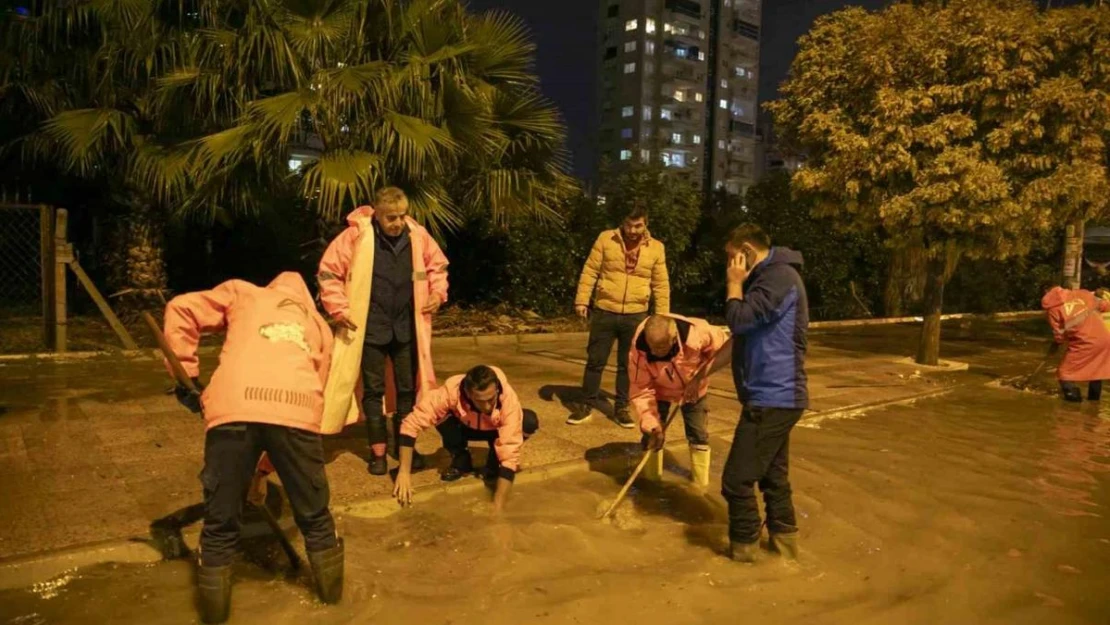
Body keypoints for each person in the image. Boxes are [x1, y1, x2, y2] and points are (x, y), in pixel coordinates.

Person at [163, 272, 343, 624]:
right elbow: (313, 400)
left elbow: (181, 308)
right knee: (316, 518)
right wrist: (263, 470)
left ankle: (214, 617)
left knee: (218, 524)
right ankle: (335, 607)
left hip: (232, 406)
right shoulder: (319, 326)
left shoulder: (243, 292)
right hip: (296, 410)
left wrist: (185, 375)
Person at [317, 187, 449, 476]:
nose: (398, 222)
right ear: (376, 213)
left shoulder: (418, 236)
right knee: (373, 392)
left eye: (402, 216)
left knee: (406, 391)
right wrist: (339, 309)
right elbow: (328, 273)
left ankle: (406, 450)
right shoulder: (356, 236)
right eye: (391, 217)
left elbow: (437, 267)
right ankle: (377, 453)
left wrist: (437, 294)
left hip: (406, 328)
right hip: (369, 328)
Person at [716, 224, 808, 564]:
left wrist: (734, 284)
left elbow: (739, 320)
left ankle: (744, 558)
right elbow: (743, 337)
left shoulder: (777, 278)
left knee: (735, 482)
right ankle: (786, 552)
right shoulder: (775, 278)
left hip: (772, 397)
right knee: (773, 478)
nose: (729, 265)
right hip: (776, 397)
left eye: (732, 258)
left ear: (746, 253)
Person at [569, 204, 670, 428]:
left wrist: (661, 317)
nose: (633, 231)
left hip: (636, 314)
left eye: (638, 226)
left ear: (646, 224)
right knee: (595, 361)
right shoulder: (606, 239)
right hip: (605, 310)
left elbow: (661, 284)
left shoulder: (656, 248)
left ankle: (622, 407)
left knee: (629, 365)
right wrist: (582, 300)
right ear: (622, 223)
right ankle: (586, 404)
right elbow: (590, 270)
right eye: (629, 225)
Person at [393, 365, 540, 511]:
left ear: (496, 389)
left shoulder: (508, 400)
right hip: (465, 426)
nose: (488, 406)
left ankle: (492, 463)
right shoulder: (451, 391)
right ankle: (461, 460)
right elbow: (410, 424)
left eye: (491, 399)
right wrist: (404, 472)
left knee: (528, 421)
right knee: (440, 414)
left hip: (495, 430)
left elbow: (509, 456)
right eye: (481, 401)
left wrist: (497, 506)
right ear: (468, 394)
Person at [629, 314, 730, 488]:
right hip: (659, 389)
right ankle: (652, 481)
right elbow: (640, 391)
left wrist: (699, 377)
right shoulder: (639, 350)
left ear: (674, 338)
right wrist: (653, 426)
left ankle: (700, 486)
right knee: (652, 436)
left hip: (694, 388)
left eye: (660, 347)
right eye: (652, 347)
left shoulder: (698, 332)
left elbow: (725, 347)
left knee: (698, 434)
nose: (654, 352)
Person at [1041, 285, 1110, 402]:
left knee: (1064, 374)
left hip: (1085, 342)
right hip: (1105, 338)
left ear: (1045, 294)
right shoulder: (1083, 294)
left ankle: (1074, 406)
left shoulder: (1052, 309)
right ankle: (1093, 407)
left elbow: (1059, 336)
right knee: (1097, 371)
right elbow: (1105, 306)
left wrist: (1057, 342)